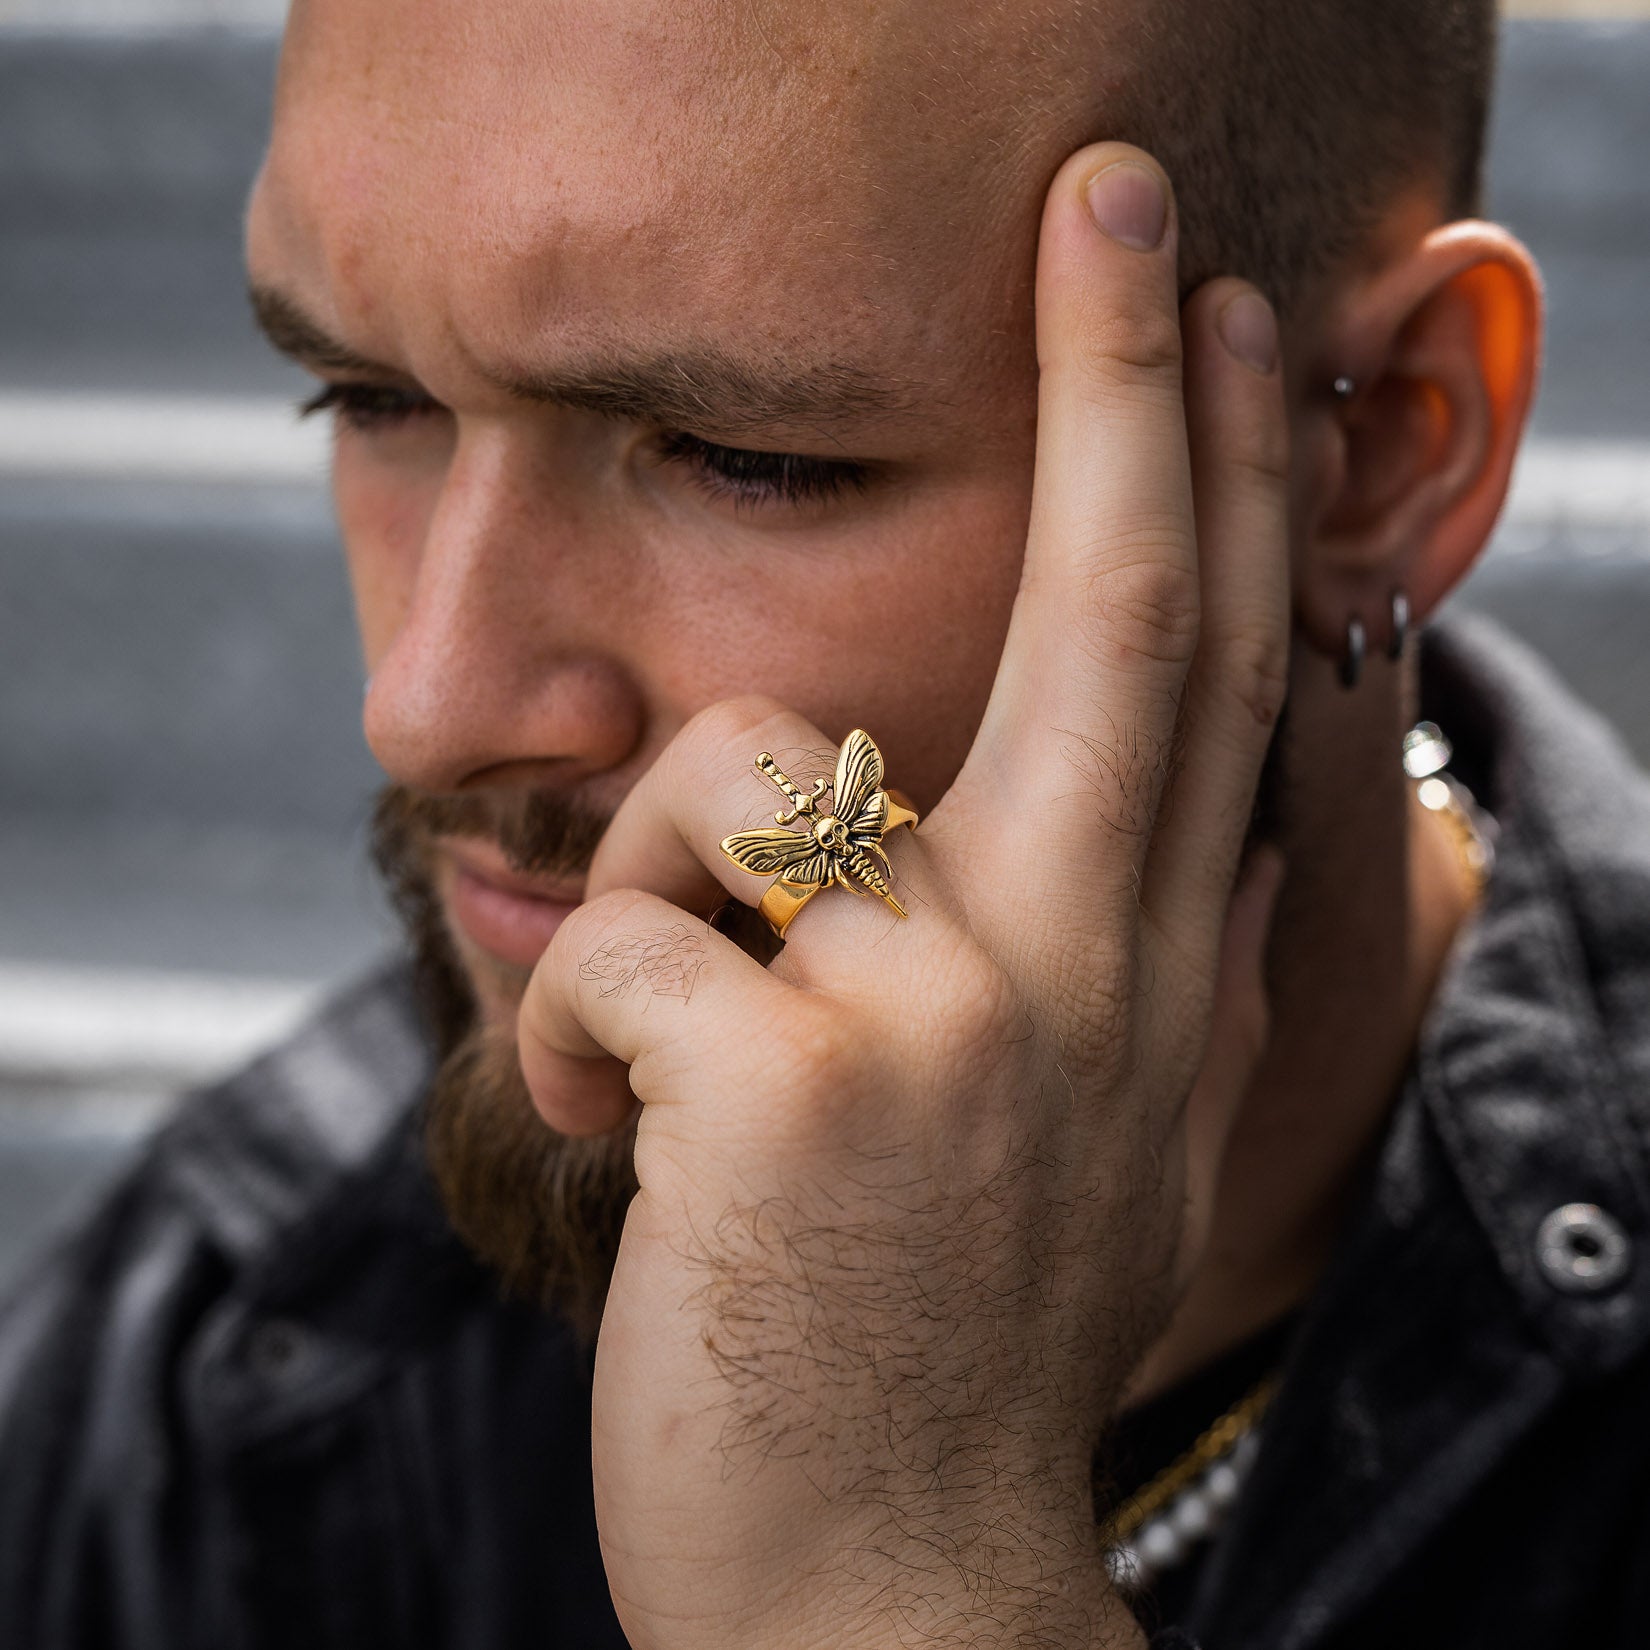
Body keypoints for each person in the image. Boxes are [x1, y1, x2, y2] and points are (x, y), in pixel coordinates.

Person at [5, 0, 1650, 1645]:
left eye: (743, 457)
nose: (429, 701)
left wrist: (894, 1584)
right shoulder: (216, 1361)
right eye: (368, 399)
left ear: (1377, 449)